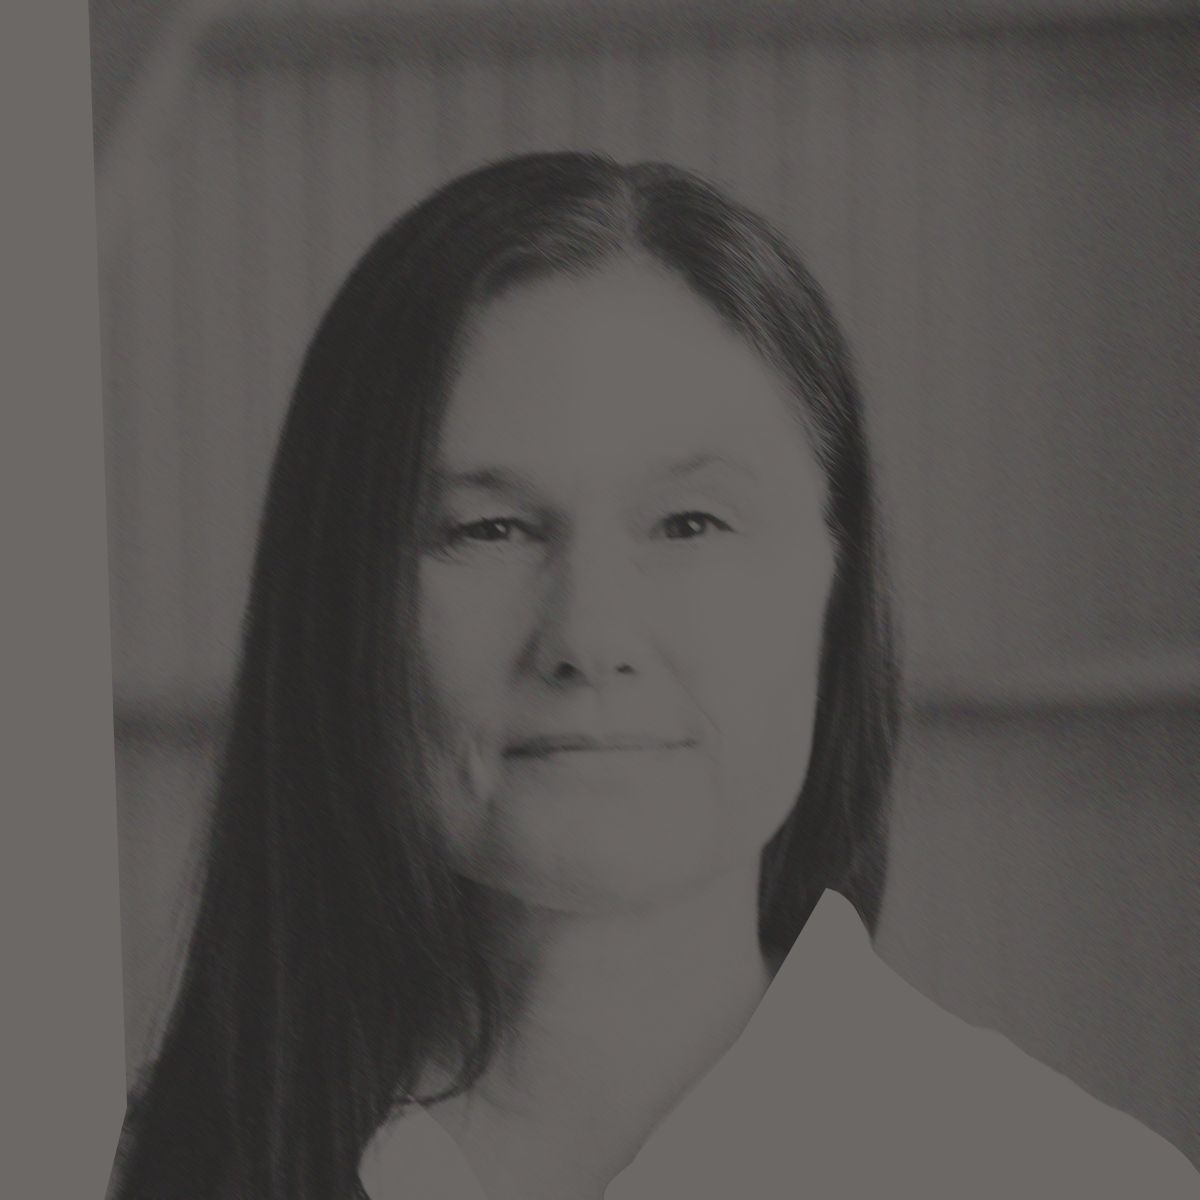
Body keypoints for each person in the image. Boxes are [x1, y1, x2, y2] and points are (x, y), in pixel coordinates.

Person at [107, 152, 1196, 1199]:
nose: (589, 634)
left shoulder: (1063, 1179)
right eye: (488, 529)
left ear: (837, 582)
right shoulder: (119, 1170)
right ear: (339, 604)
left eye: (688, 523)